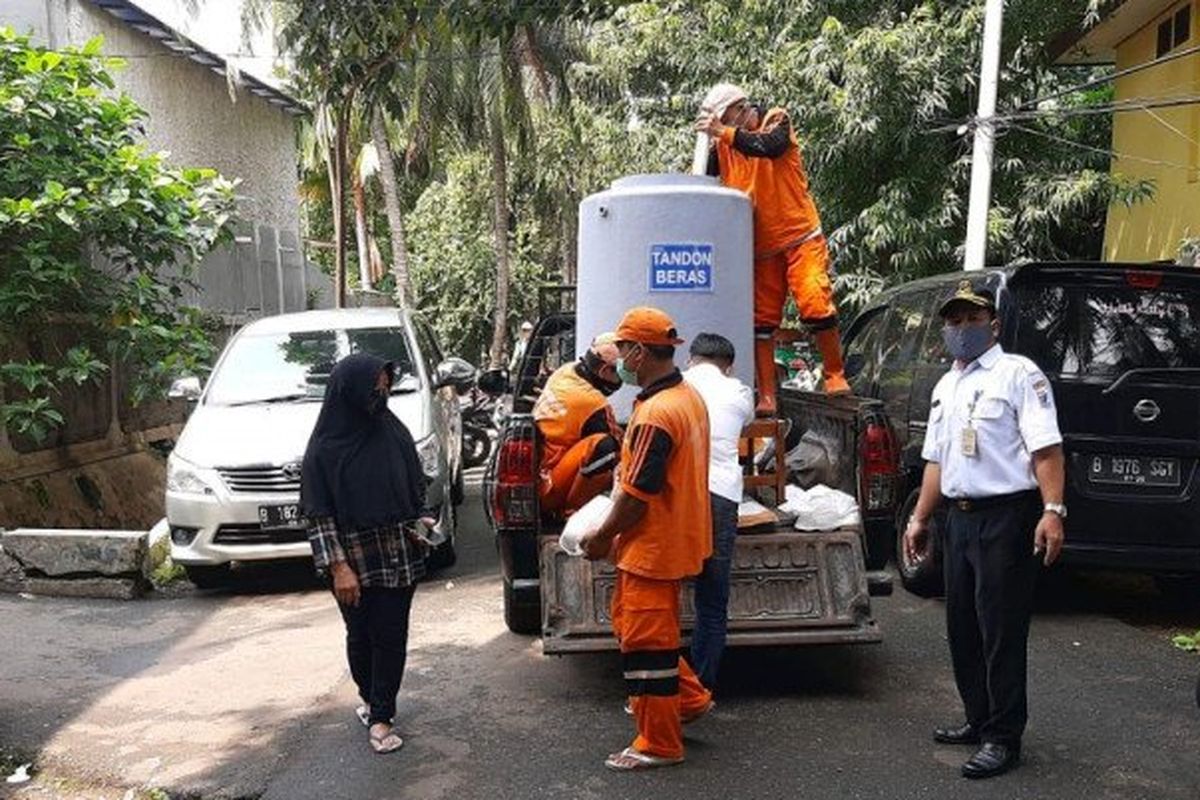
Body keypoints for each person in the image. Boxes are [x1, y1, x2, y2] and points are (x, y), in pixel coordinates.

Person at [903, 280, 1066, 780]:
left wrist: (1052, 510)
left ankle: (1003, 736)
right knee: (963, 627)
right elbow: (936, 461)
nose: (961, 329)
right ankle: (977, 717)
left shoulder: (1019, 374)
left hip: (1006, 518)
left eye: (972, 319)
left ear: (992, 325)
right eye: (954, 321)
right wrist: (920, 518)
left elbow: (1046, 450)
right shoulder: (946, 385)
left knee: (1001, 629)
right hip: (959, 518)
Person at [580, 307, 714, 771]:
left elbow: (637, 498)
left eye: (621, 350)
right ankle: (689, 702)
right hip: (673, 539)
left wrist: (600, 536)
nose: (617, 359)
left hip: (652, 546)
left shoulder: (658, 413)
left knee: (647, 649)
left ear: (639, 352)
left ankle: (658, 743)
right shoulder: (685, 396)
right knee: (638, 630)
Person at [300, 352, 433, 755]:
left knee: (390, 635)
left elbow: (415, 481)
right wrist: (339, 567)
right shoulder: (324, 447)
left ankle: (381, 716)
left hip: (397, 552)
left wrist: (423, 518)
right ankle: (370, 697)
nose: (382, 392)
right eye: (374, 385)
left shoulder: (391, 429)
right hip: (352, 557)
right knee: (360, 635)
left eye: (385, 383)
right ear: (350, 389)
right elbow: (318, 514)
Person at [695, 82, 849, 414]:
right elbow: (705, 189)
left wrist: (723, 132)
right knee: (762, 321)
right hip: (760, 248)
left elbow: (769, 147)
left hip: (799, 237)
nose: (726, 126)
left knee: (814, 299)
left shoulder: (776, 121)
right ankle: (767, 395)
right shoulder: (722, 146)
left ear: (740, 108)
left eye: (727, 118)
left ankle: (835, 374)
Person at [682, 332, 754, 690]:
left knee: (661, 594)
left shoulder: (674, 387)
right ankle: (701, 686)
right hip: (721, 498)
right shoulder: (740, 392)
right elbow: (744, 422)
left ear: (691, 359)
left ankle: (661, 687)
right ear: (729, 366)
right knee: (712, 601)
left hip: (677, 496)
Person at [532, 332, 624, 515]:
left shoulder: (566, 372)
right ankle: (573, 512)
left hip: (540, 473)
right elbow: (621, 448)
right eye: (621, 373)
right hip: (550, 485)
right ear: (605, 371)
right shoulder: (592, 402)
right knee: (606, 447)